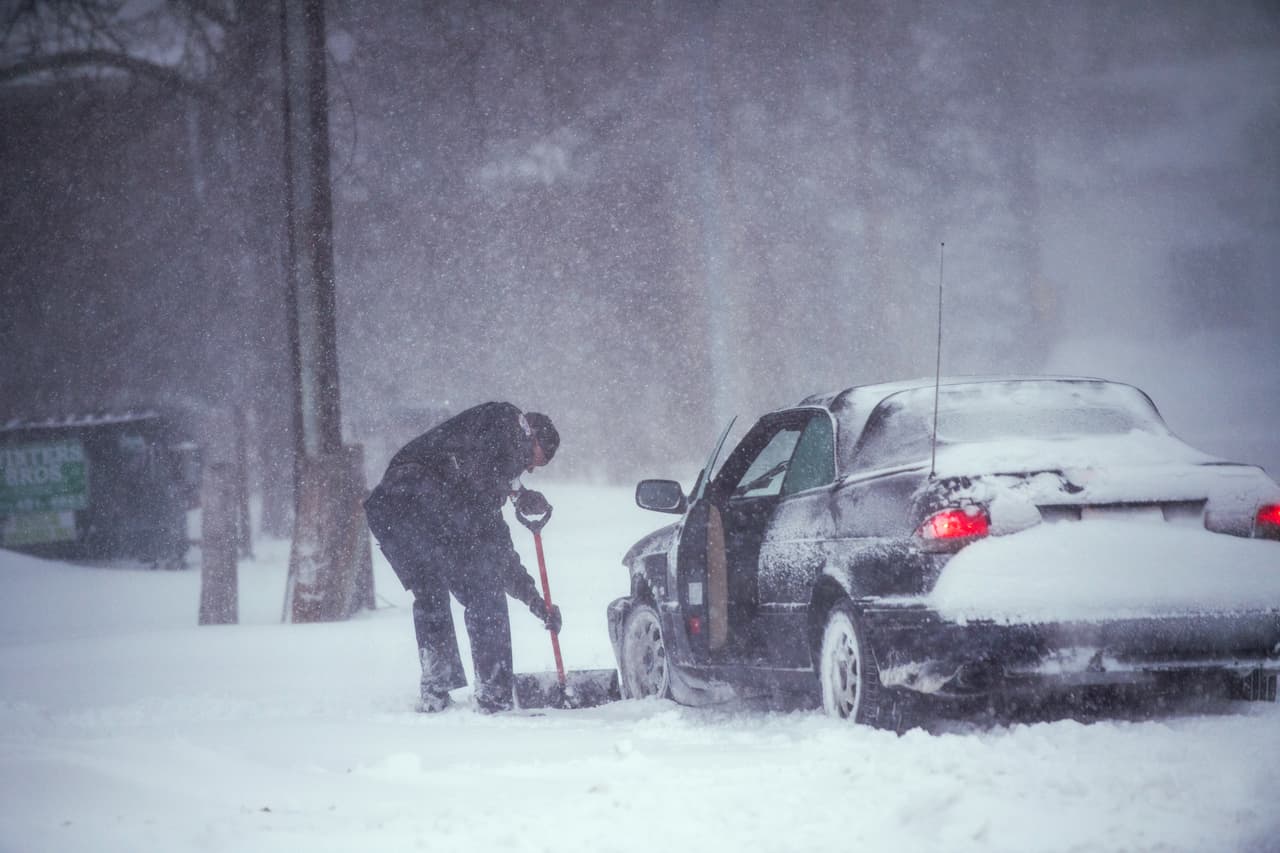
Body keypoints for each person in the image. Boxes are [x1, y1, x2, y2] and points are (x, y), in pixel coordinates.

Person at [362, 402, 562, 713]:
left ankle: (445, 691)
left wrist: (535, 600)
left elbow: (498, 549)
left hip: (407, 508)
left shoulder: (482, 479)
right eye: (534, 462)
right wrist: (517, 492)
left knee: (444, 590)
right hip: (409, 501)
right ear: (532, 436)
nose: (529, 470)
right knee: (472, 591)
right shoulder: (502, 421)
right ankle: (488, 696)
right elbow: (482, 471)